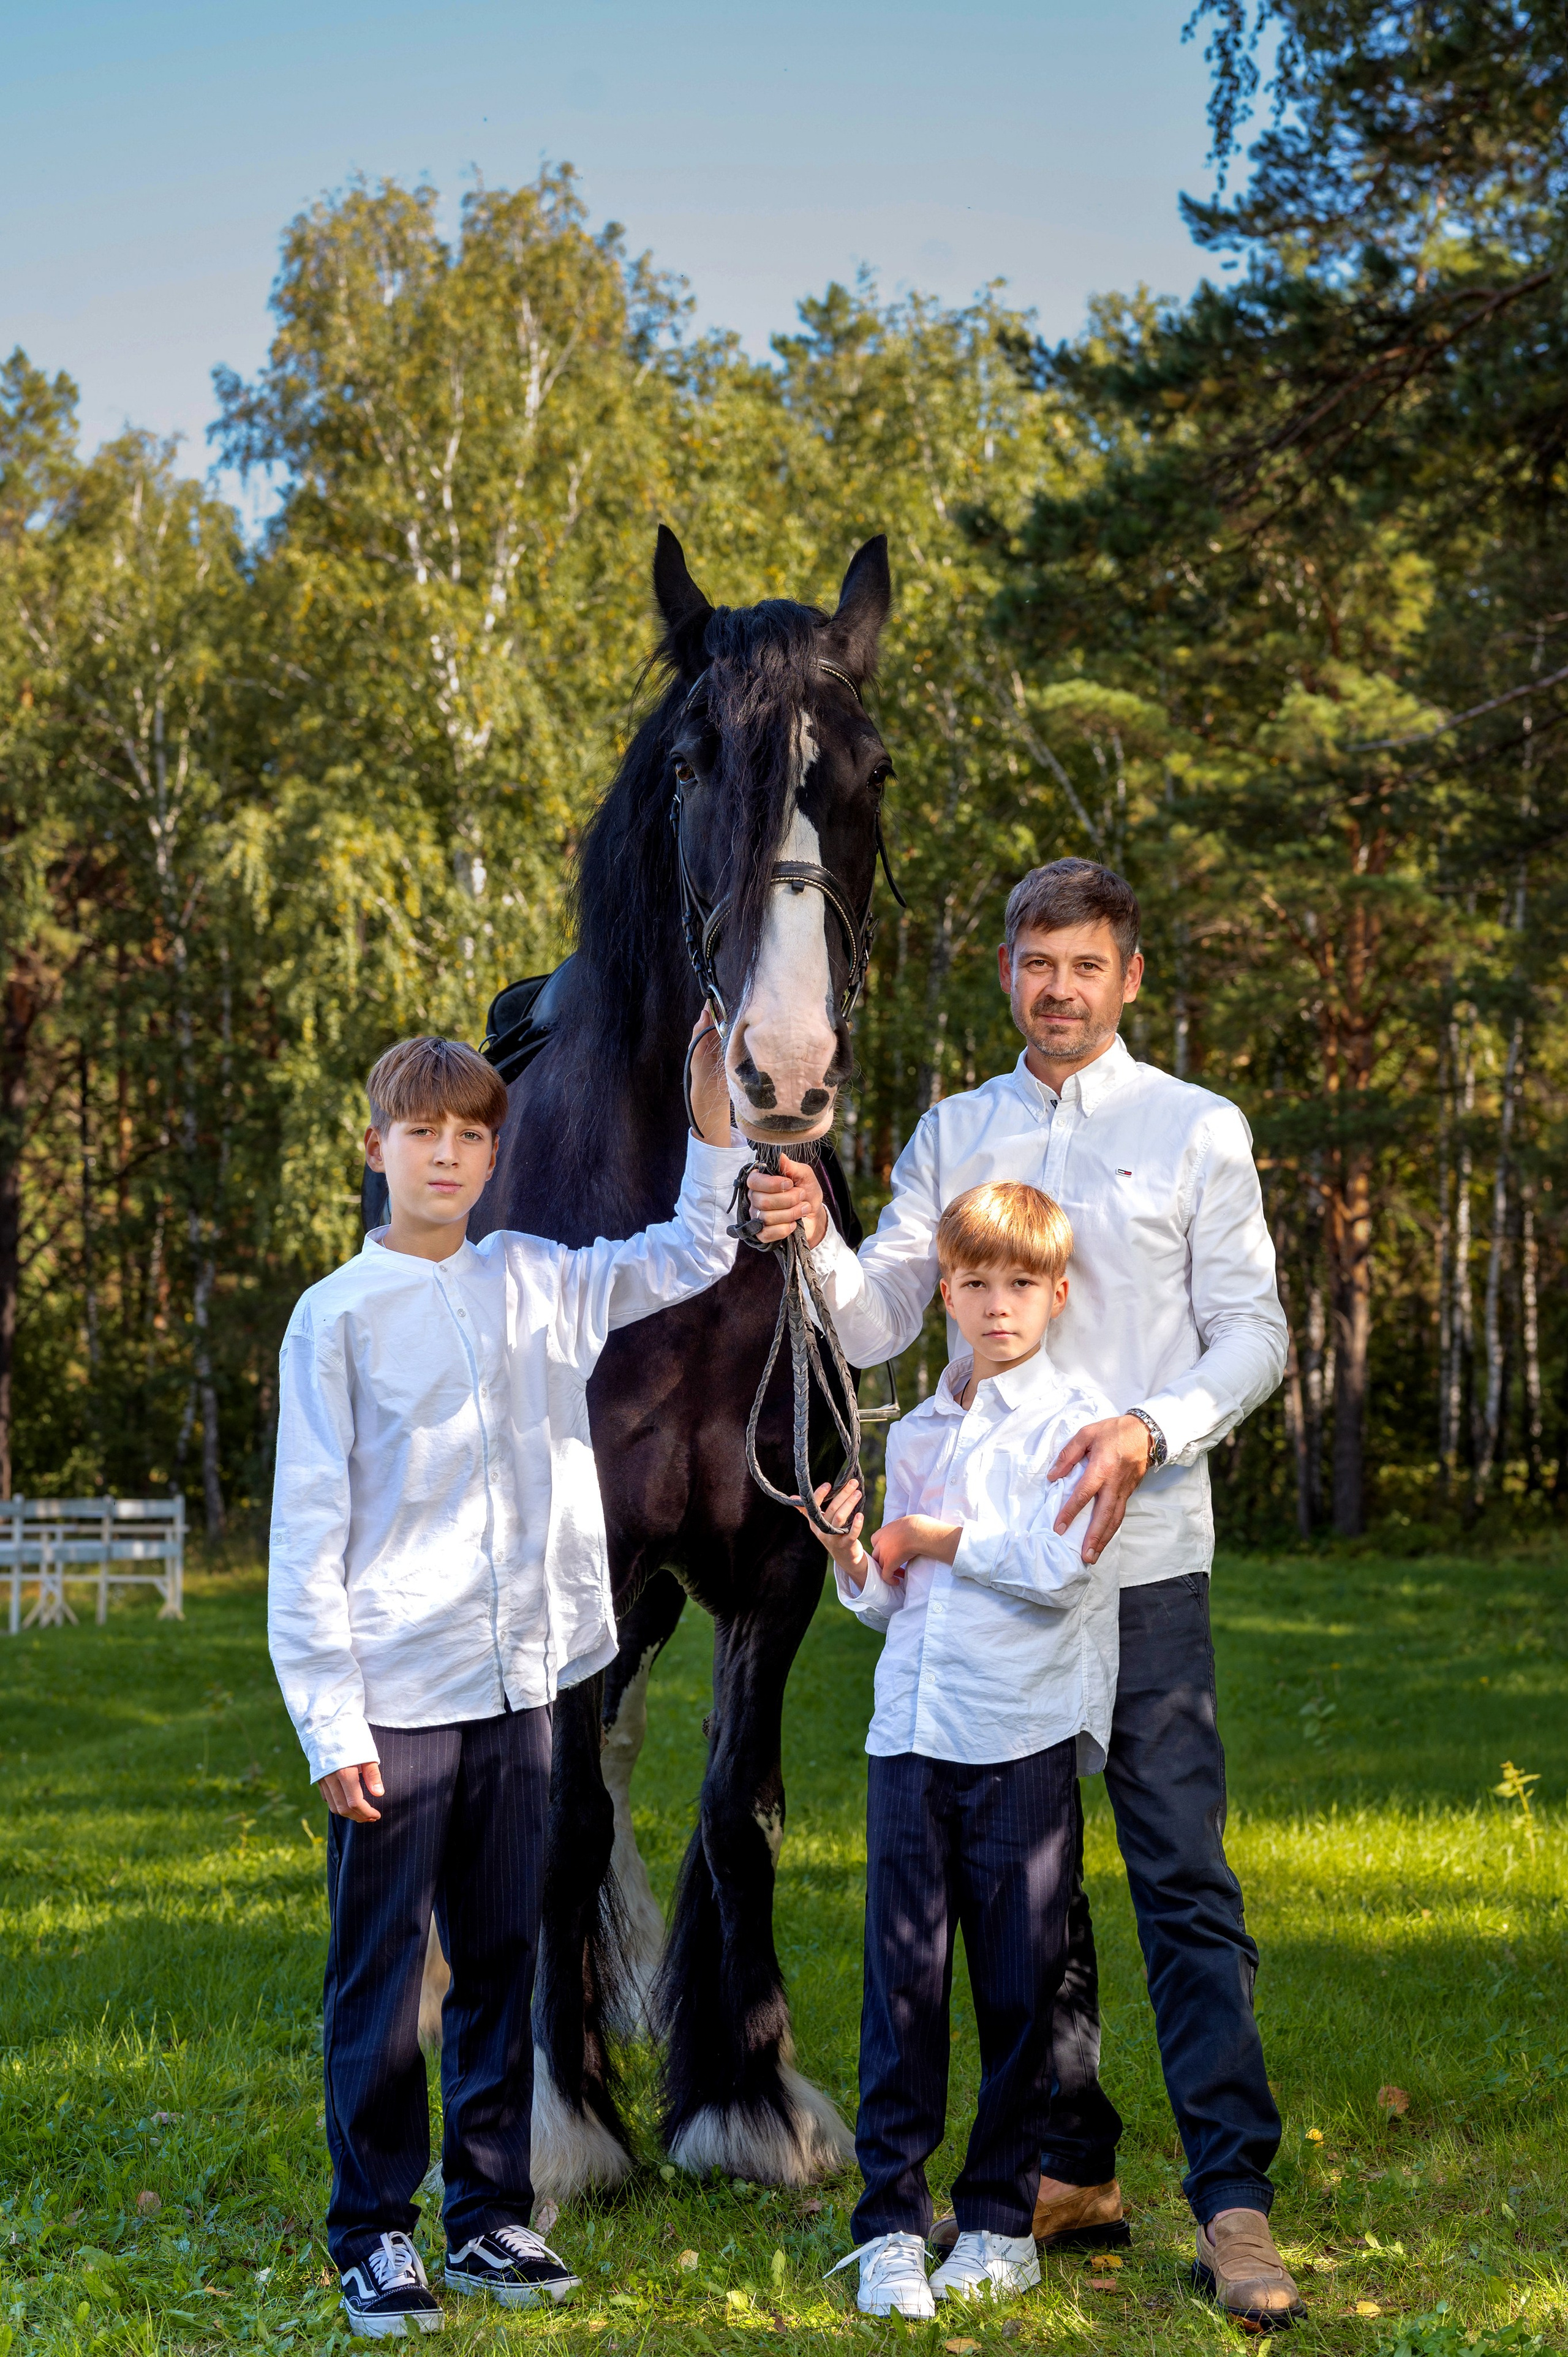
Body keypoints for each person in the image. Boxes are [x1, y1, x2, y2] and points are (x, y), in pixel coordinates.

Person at [752, 859, 1304, 2331]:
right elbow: (876, 1317)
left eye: (1084, 964)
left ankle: (1233, 2198)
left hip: (1141, 1564)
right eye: (1032, 962)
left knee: (1180, 1877)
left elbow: (1251, 1336)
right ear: (1006, 973)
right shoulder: (954, 1130)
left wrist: (1146, 1428)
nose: (1056, 987)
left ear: (1127, 977)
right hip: (983, 1605)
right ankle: (1062, 2165)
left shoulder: (1194, 1128)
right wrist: (812, 1229)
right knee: (1025, 1897)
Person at [269, 1019, 746, 2339]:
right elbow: (306, 1533)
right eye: (423, 1133)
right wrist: (329, 1718)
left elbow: (693, 1254)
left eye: (473, 1134)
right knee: (382, 1974)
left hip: (528, 1689)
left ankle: (486, 2217)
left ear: (495, 1152)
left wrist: (712, 1127)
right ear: (376, 1150)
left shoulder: (535, 1279)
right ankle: (371, 2230)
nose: (448, 1154)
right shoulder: (335, 1319)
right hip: (397, 1703)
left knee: (499, 1956)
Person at [815, 1180, 1120, 2321]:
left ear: (1058, 1294)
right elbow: (891, 1605)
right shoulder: (926, 1425)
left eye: (1021, 1287)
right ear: (945, 1290)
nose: (998, 1307)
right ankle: (891, 2224)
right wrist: (856, 1556)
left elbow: (1057, 1569)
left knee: (1017, 1991)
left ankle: (999, 2223)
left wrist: (933, 1534)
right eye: (976, 1284)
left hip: (1018, 1742)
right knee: (902, 1990)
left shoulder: (1076, 1420)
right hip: (910, 1739)